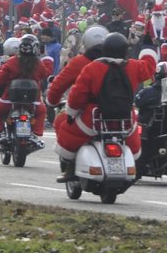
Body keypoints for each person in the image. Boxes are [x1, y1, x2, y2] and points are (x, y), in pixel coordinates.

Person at [55, 32, 154, 178]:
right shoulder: (134, 67)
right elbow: (149, 65)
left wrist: (71, 113)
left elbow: (77, 95)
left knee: (67, 131)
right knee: (134, 145)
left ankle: (69, 168)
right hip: (125, 120)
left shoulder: (92, 68)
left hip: (93, 119)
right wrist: (147, 46)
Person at [0, 34, 52, 141]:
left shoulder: (12, 61)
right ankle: (35, 133)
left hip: (9, 100)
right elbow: (45, 74)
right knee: (42, 111)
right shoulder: (38, 63)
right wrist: (47, 59)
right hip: (33, 102)